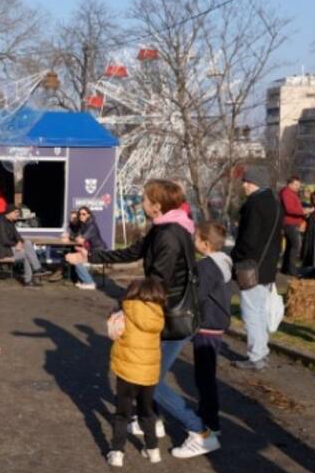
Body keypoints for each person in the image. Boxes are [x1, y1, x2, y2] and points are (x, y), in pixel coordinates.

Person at [69, 179, 220, 458]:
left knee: (150, 380)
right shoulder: (164, 228)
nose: (141, 203)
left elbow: (156, 284)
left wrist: (123, 308)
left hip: (171, 318)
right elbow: (133, 252)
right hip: (164, 315)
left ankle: (200, 431)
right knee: (148, 373)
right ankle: (152, 420)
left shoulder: (170, 234)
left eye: (144, 199)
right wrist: (91, 256)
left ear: (157, 205)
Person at [104, 278, 165, 468]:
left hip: (127, 372)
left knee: (122, 413)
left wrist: (111, 318)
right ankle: (153, 450)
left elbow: (113, 333)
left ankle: (117, 453)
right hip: (148, 373)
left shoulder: (125, 312)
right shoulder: (158, 315)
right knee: (146, 412)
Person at [231, 167, 282, 371]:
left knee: (251, 311)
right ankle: (261, 351)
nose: (244, 185)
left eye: (247, 181)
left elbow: (248, 240)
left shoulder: (255, 204)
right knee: (259, 310)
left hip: (252, 266)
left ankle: (256, 356)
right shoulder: (275, 203)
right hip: (267, 265)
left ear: (255, 183)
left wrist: (235, 256)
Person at [191, 221, 233, 436]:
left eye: (195, 237)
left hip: (207, 325)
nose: (193, 240)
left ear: (205, 244)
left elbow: (197, 295)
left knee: (204, 377)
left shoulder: (206, 266)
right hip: (217, 325)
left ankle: (210, 422)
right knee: (205, 375)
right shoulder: (224, 263)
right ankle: (206, 413)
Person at [0, 205, 47, 287]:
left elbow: (18, 236)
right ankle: (30, 277)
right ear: (9, 213)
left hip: (9, 248)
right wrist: (16, 245)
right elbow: (4, 240)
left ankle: (36, 269)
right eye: (16, 213)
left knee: (27, 243)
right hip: (2, 251)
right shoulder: (0, 223)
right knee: (26, 254)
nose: (18, 215)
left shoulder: (11, 223)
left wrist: (20, 242)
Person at [72, 206, 107, 290]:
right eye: (79, 214)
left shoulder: (91, 225)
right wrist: (73, 237)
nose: (81, 216)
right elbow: (77, 236)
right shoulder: (83, 225)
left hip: (98, 250)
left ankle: (89, 283)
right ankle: (84, 280)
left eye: (83, 214)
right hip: (91, 250)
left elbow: (80, 240)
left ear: (88, 215)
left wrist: (76, 238)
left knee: (76, 259)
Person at [279, 176, 307, 276]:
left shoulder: (291, 194)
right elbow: (289, 209)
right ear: (290, 184)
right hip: (289, 223)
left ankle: (285, 268)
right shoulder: (286, 193)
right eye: (296, 185)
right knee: (296, 245)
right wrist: (303, 212)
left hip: (291, 223)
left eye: (299, 185)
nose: (298, 187)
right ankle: (291, 270)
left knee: (290, 246)